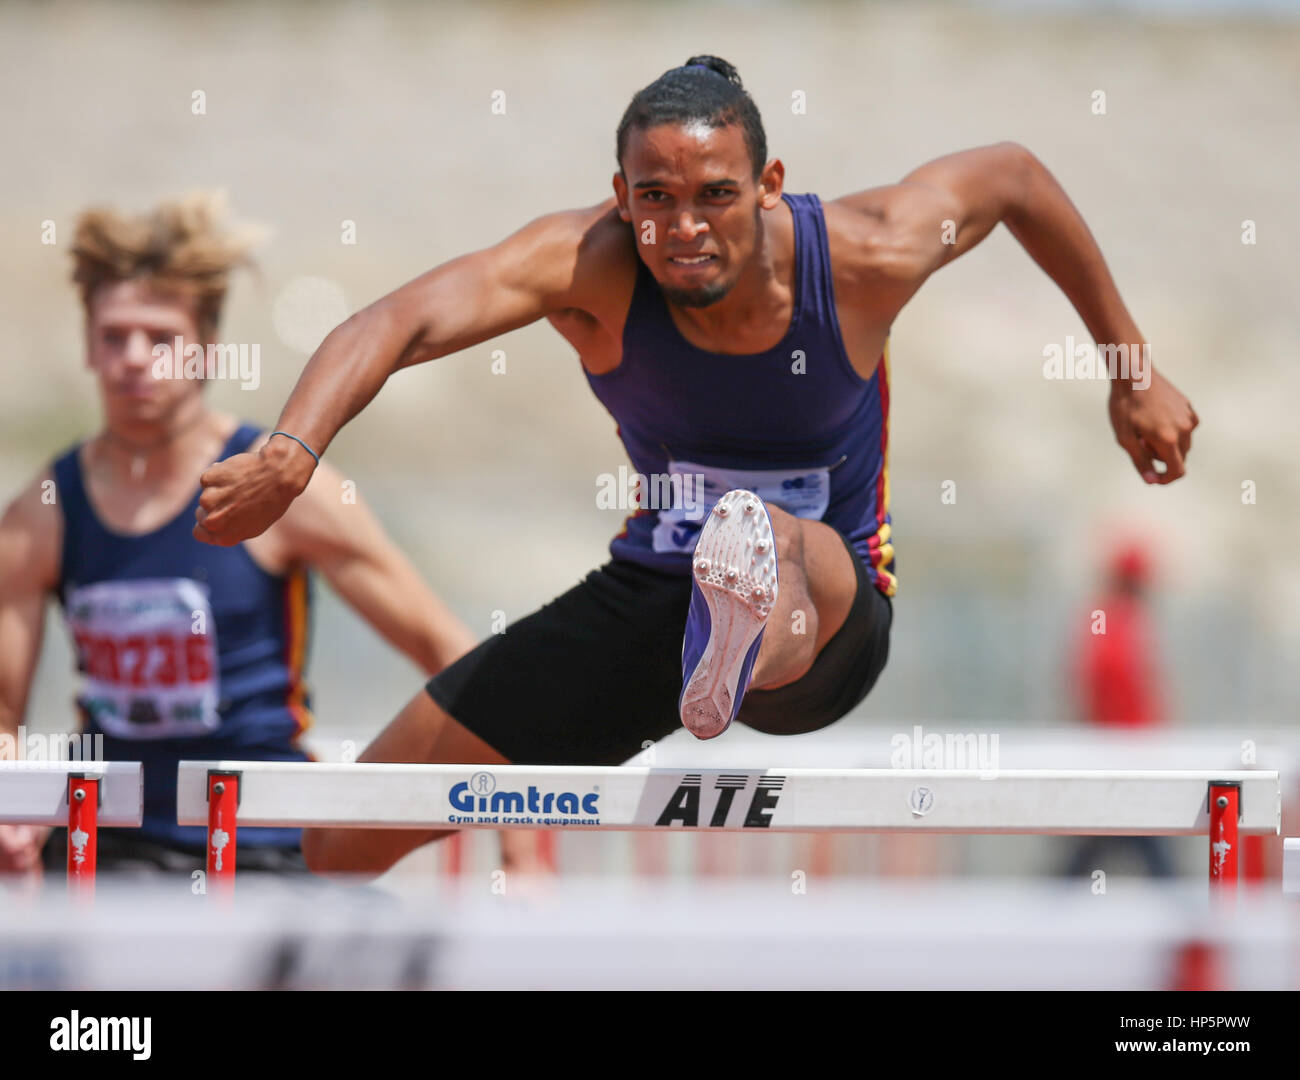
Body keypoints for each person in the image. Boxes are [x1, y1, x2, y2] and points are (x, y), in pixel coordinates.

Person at [190, 56, 1199, 878]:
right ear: (620, 197)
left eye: (715, 196)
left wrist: (1129, 371)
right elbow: (396, 320)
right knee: (340, 836)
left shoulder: (863, 257)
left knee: (770, 545)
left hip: (827, 609)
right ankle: (716, 623)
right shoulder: (585, 262)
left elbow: (1016, 176)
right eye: (655, 200)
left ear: (768, 185)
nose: (681, 230)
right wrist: (293, 448)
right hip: (654, 599)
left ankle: (746, 616)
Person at [0, 193, 541, 882]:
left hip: (265, 846)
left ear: (207, 352)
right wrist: (11, 800)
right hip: (110, 854)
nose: (135, 359)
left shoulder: (282, 486)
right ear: (88, 347)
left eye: (160, 339)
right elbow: (4, 711)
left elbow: (452, 652)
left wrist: (521, 852)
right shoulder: (44, 511)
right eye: (115, 336)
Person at [1063, 539, 1175, 877]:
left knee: (1093, 852)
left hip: (1122, 758)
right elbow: (1109, 685)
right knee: (1154, 856)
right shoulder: (1116, 620)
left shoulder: (1114, 617)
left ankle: (1042, 921)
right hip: (1124, 760)